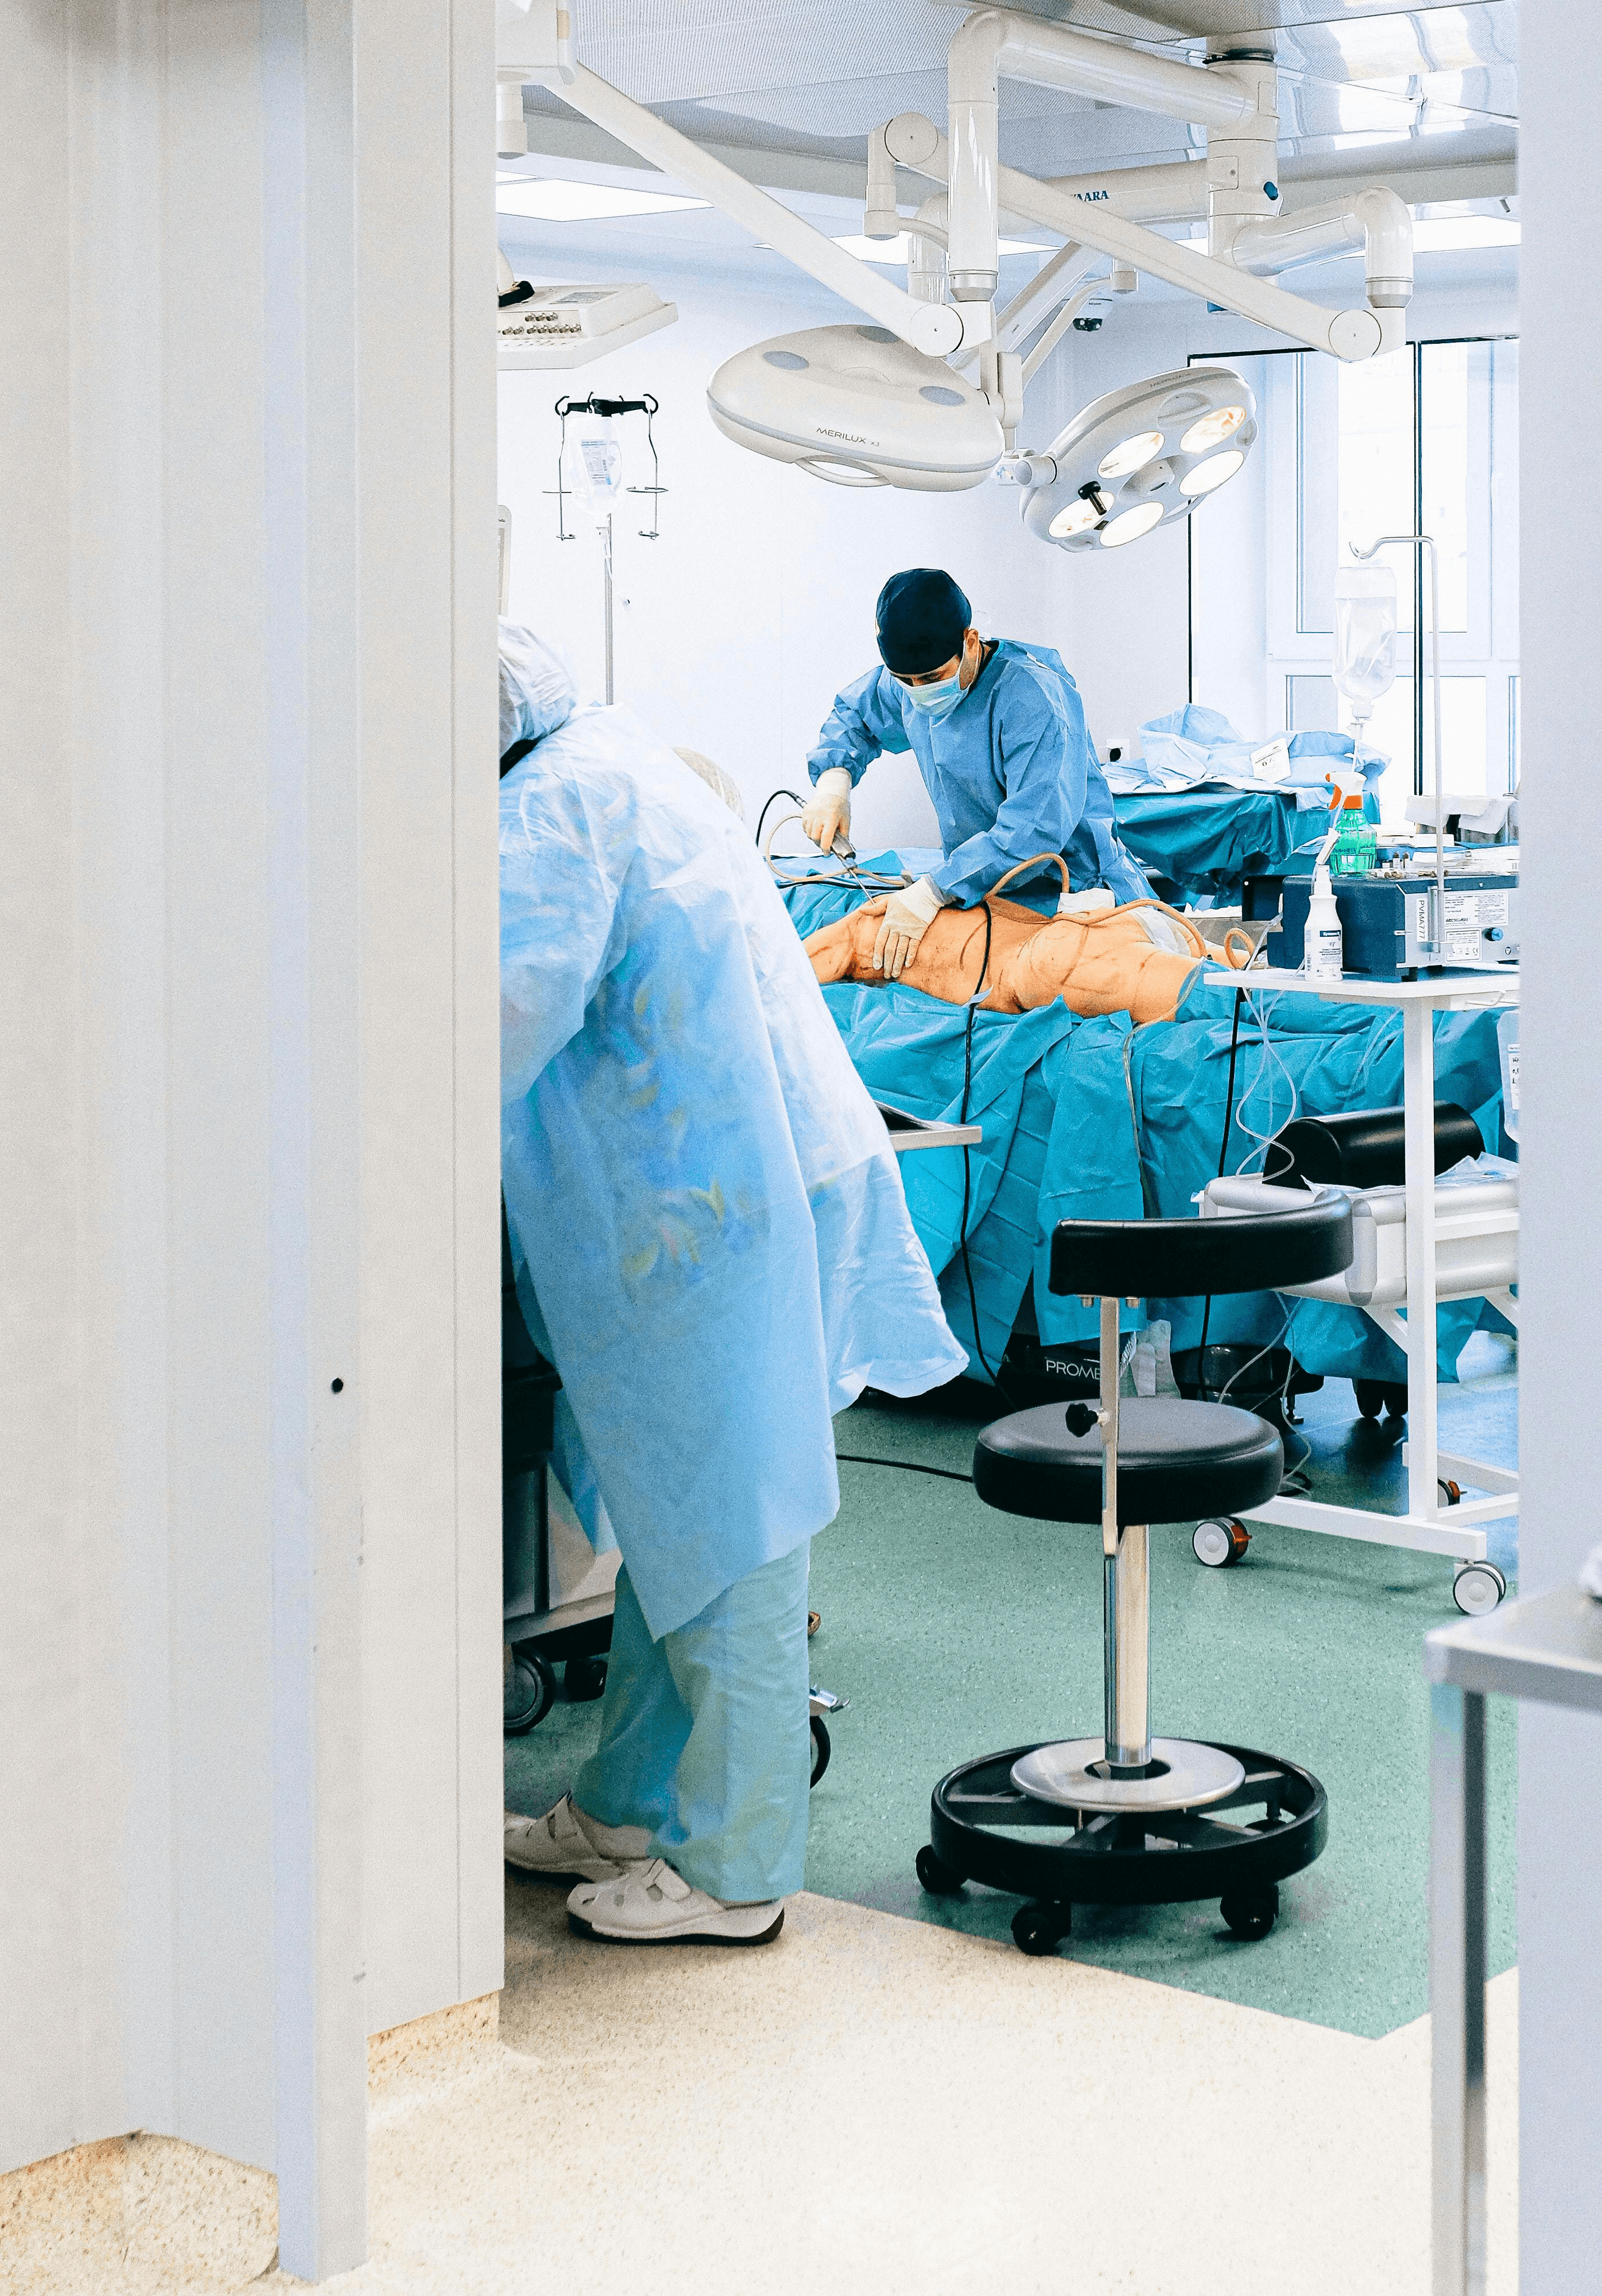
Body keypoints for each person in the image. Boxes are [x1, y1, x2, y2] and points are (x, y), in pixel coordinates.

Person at [495, 621, 964, 1945]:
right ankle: (628, 1802)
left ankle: (737, 1866)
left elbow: (479, 1022)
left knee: (737, 1526)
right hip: (737, 1175)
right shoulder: (607, 752)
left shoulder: (547, 815)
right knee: (680, 1513)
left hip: (707, 1200)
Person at [801, 567, 1151, 979]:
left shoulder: (1032, 697)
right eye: (905, 680)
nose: (917, 691)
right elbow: (856, 716)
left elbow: (1034, 830)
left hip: (1071, 891)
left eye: (931, 678)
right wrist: (833, 785)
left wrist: (936, 890)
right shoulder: (909, 682)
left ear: (971, 641)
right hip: (979, 890)